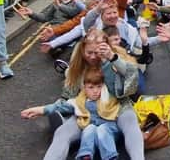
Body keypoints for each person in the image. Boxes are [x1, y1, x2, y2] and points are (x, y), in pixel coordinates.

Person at [42, 27, 143, 160]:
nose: (93, 57)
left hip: (117, 108)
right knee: (62, 132)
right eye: (89, 52)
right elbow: (68, 95)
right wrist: (53, 107)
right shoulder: (77, 66)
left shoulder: (116, 57)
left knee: (131, 123)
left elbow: (132, 82)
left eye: (97, 52)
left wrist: (111, 58)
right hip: (87, 112)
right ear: (82, 50)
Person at [21, 68, 122, 160]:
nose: (95, 91)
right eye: (91, 87)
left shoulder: (106, 97)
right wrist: (42, 110)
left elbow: (115, 85)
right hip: (91, 132)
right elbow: (61, 106)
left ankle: (110, 156)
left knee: (102, 129)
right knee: (89, 129)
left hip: (108, 130)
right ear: (84, 88)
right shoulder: (79, 101)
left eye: (99, 87)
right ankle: (85, 155)